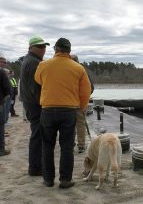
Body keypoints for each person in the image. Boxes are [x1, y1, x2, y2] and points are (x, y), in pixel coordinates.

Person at [35, 38, 91, 188]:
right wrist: (81, 107)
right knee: (67, 147)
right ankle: (65, 179)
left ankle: (48, 179)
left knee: (47, 146)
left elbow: (38, 80)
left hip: (47, 110)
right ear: (69, 51)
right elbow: (85, 92)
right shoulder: (78, 68)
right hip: (68, 111)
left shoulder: (43, 65)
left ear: (55, 49)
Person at [20, 36, 50, 176]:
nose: (43, 49)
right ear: (31, 48)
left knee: (37, 135)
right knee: (38, 136)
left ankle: (36, 166)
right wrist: (45, 104)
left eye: (44, 46)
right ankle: (35, 168)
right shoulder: (33, 63)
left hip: (32, 103)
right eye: (40, 46)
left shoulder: (32, 60)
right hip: (36, 105)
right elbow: (36, 88)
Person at [70, 54, 94, 153]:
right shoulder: (82, 71)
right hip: (79, 103)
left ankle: (71, 143)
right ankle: (81, 145)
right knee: (80, 124)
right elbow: (91, 88)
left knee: (70, 124)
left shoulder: (67, 72)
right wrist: (85, 98)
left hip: (69, 103)